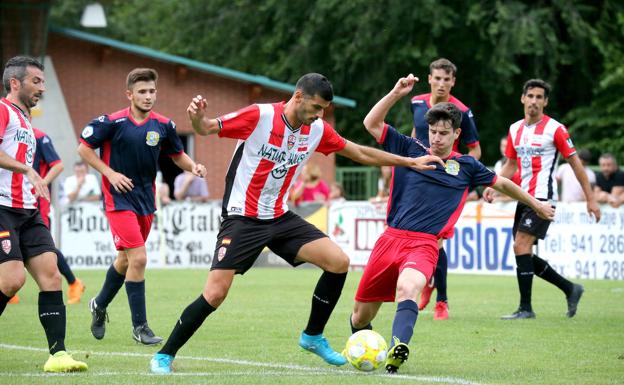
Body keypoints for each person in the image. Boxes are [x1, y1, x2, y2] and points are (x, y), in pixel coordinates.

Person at [149, 72, 444, 374]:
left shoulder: (316, 129)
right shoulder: (260, 115)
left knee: (338, 262)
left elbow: (357, 152)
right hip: (242, 218)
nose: (319, 115)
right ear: (299, 97)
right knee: (215, 294)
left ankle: (313, 336)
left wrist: (408, 161)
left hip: (279, 216)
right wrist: (197, 118)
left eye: (323, 111)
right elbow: (207, 128)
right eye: (316, 108)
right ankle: (165, 354)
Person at [350, 74, 554, 374]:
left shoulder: (468, 167)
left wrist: (536, 204)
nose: (436, 138)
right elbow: (371, 124)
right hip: (390, 239)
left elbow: (504, 184)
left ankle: (397, 349)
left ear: (456, 133)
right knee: (359, 317)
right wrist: (395, 92)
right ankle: (360, 347)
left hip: (424, 245)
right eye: (432, 131)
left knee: (409, 288)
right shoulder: (410, 149)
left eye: (443, 133)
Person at [78, 68, 207, 345]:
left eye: (152, 91)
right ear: (130, 94)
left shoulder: (163, 126)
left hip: (146, 202)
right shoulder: (111, 122)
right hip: (118, 199)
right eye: (142, 92)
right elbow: (84, 149)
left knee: (125, 260)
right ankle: (140, 328)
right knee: (139, 259)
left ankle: (99, 305)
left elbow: (177, 155)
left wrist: (192, 167)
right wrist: (110, 174)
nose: (148, 97)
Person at [484, 79, 601, 320]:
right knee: (523, 253)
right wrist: (493, 186)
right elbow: (510, 165)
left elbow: (576, 165)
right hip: (523, 197)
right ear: (523, 98)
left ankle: (526, 309)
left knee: (520, 247)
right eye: (531, 96)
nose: (534, 101)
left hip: (543, 198)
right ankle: (570, 289)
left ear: (545, 102)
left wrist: (591, 199)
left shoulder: (556, 129)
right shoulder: (515, 128)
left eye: (540, 97)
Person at [0, 56, 87, 372]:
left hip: (28, 210)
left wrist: (35, 182)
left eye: (43, 82)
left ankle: (58, 354)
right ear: (15, 83)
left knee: (51, 274)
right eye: (36, 81)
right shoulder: (3, 110)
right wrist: (26, 169)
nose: (42, 88)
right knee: (12, 281)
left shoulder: (26, 119)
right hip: (3, 208)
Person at [410, 58, 481, 319]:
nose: (441, 83)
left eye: (446, 79)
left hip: (447, 179)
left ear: (453, 82)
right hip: (419, 175)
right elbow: (415, 135)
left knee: (437, 239)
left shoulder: (461, 110)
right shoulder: (416, 102)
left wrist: (467, 179)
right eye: (436, 78)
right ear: (429, 78)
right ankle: (428, 283)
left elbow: (475, 148)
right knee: (420, 236)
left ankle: (442, 301)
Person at [34, 128, 86, 304]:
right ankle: (8, 288)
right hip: (12, 203)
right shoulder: (9, 136)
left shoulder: (39, 137)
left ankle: (74, 283)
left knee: (46, 249)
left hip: (36, 204)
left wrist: (40, 185)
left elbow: (58, 165)